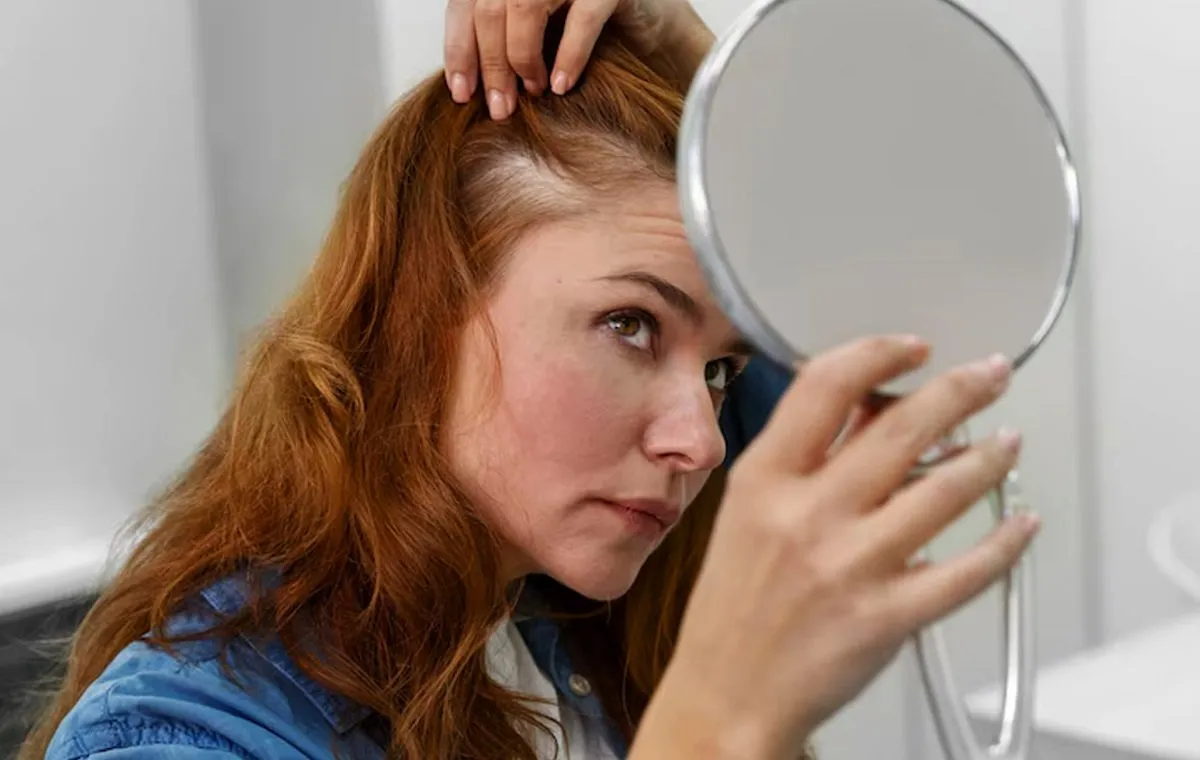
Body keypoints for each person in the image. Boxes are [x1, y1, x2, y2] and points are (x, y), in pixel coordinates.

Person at [22, 2, 1038, 759]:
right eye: (629, 325)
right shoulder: (184, 736)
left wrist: (710, 77)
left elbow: (896, 303)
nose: (701, 440)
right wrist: (718, 725)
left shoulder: (560, 611)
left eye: (723, 369)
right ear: (423, 311)